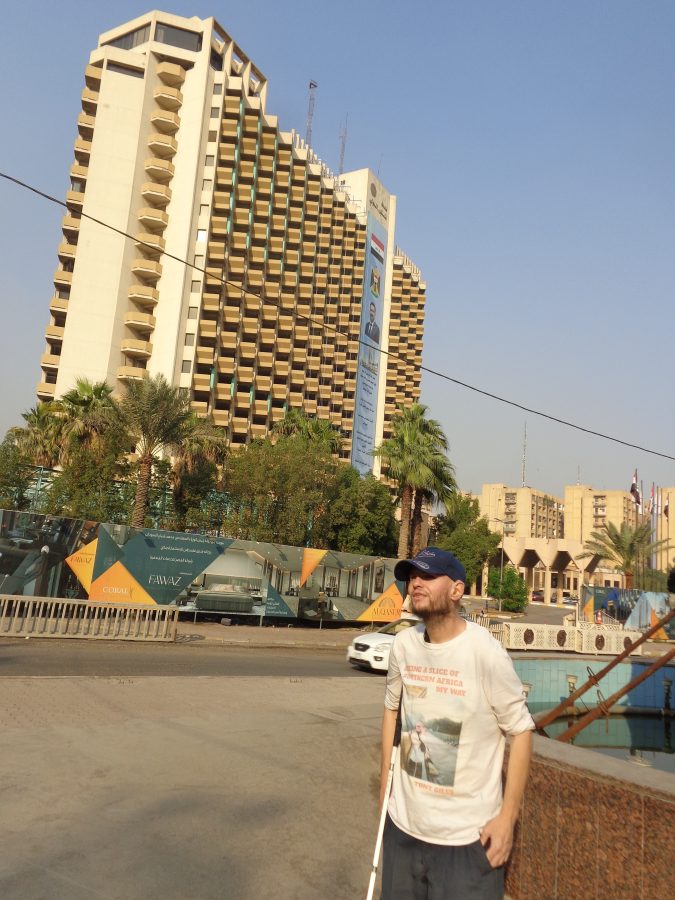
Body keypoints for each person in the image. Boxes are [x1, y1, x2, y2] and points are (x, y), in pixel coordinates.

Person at [379, 547, 534, 899]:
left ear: (457, 590)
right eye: (412, 576)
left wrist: (507, 819)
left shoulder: (485, 652)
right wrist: (384, 792)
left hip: (466, 842)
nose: (415, 582)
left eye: (428, 576)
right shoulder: (403, 646)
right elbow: (391, 710)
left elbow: (522, 732)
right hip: (403, 829)